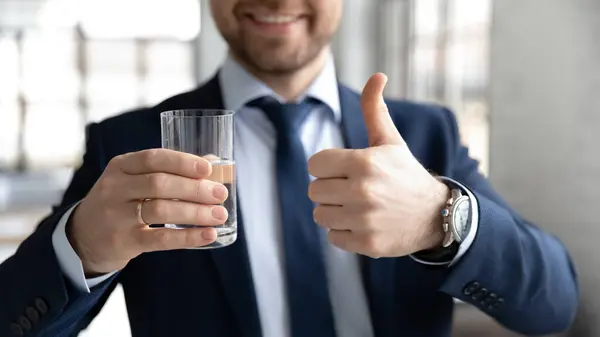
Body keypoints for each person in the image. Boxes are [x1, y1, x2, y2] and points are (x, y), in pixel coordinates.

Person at [0, 0, 579, 336]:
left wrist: (439, 218)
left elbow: (553, 305)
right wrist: (80, 245)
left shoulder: (425, 134)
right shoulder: (127, 145)